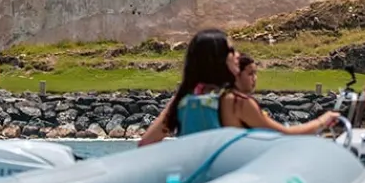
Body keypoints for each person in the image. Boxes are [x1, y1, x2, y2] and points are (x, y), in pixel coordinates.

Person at [138, 30, 340, 146]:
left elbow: (146, 143)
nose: (237, 55)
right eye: (231, 51)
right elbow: (283, 136)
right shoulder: (237, 103)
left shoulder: (183, 99)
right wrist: (322, 121)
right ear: (218, 60)